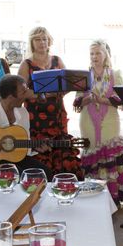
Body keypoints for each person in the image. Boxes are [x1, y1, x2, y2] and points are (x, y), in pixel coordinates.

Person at [17, 26, 81, 177]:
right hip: (36, 118)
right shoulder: (26, 64)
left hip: (57, 116)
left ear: (49, 41)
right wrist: (42, 94)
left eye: (44, 39)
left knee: (62, 154)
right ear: (32, 42)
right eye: (37, 39)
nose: (42, 42)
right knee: (41, 157)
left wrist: (62, 90)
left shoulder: (57, 60)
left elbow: (68, 84)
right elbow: (20, 92)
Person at [73, 40, 123, 202]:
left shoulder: (115, 74)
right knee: (92, 151)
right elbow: (77, 102)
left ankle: (113, 197)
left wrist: (102, 100)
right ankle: (94, 196)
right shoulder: (83, 75)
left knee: (109, 153)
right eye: (92, 53)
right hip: (87, 120)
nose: (94, 56)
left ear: (106, 55)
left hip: (110, 119)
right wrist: (87, 99)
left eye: (98, 53)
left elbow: (120, 99)